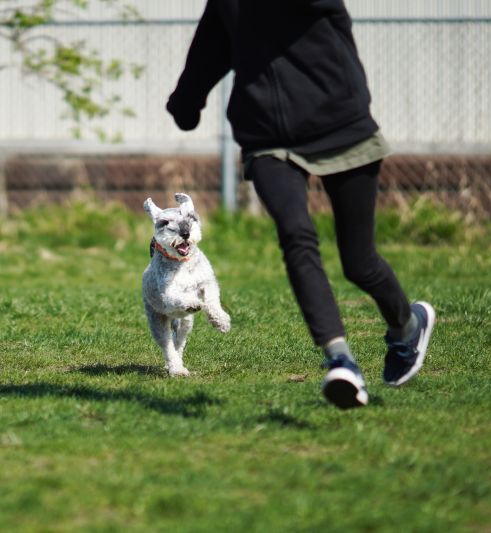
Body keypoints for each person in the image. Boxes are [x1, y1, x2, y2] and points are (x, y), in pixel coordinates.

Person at [166, 0, 435, 409]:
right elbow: (211, 48)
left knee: (359, 262)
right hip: (268, 137)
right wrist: (187, 101)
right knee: (296, 235)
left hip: (342, 127)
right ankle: (340, 361)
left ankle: (407, 326)